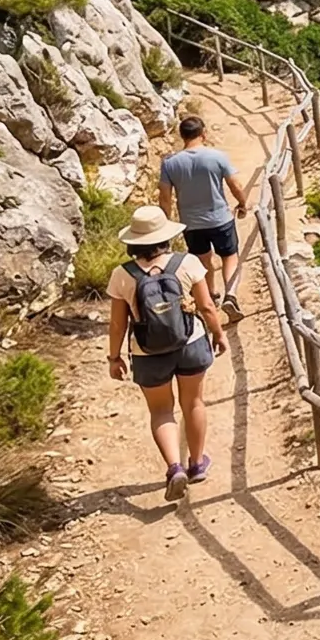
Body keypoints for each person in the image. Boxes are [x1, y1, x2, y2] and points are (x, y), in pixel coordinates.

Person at [107, 205, 229, 500]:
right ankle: (197, 464)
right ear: (166, 236)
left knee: (161, 411)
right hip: (191, 342)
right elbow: (207, 306)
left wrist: (114, 358)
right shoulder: (187, 263)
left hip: (148, 352)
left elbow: (117, 322)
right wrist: (218, 334)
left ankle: (175, 467)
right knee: (194, 403)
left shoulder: (123, 275)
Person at [158, 115, 248, 306]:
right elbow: (235, 185)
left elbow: (164, 197)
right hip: (220, 218)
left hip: (190, 224)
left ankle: (211, 296)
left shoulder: (169, 163)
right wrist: (242, 203)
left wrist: (165, 224)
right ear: (203, 134)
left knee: (202, 261)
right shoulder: (217, 156)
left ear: (182, 136)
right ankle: (230, 295)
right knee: (229, 257)